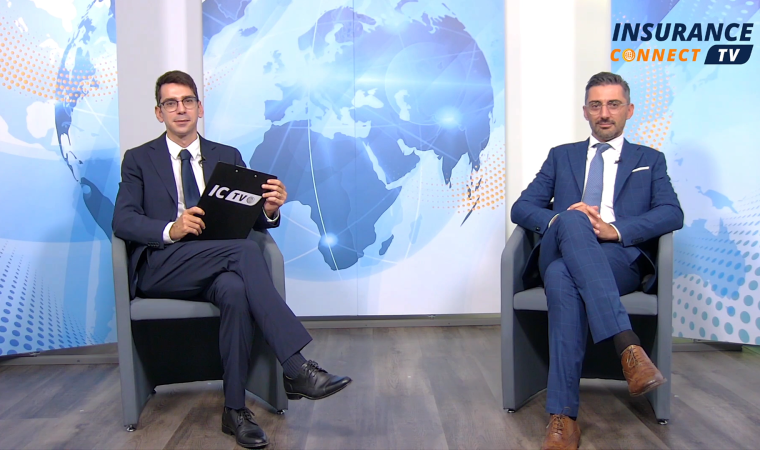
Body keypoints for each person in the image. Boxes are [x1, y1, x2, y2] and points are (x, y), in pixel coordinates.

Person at [112, 70, 351, 449]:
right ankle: (295, 367)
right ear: (159, 113)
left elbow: (251, 219)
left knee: (235, 290)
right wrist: (172, 228)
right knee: (244, 251)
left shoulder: (227, 156)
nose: (180, 109)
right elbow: (123, 220)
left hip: (219, 262)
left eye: (187, 101)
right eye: (170, 103)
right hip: (164, 264)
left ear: (199, 108)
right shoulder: (139, 159)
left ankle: (235, 411)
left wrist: (269, 209)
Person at [510, 72, 684, 450]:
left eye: (613, 104)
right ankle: (628, 348)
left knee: (562, 277)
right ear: (585, 111)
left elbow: (672, 213)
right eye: (596, 105)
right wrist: (563, 221)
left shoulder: (650, 160)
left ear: (629, 110)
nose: (604, 113)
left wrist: (614, 230)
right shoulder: (561, 156)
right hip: (562, 244)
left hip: (617, 259)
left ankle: (563, 418)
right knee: (573, 218)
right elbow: (522, 208)